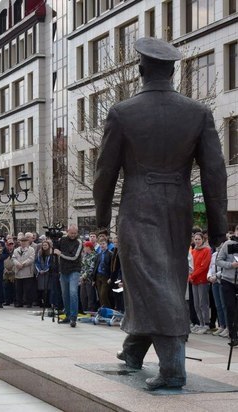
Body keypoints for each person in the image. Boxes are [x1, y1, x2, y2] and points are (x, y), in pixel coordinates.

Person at [93, 37, 228, 390]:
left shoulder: (123, 113)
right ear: (172, 71)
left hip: (138, 205)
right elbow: (215, 172)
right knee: (157, 278)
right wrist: (218, 226)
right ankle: (134, 350)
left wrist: (102, 217)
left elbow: (104, 172)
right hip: (179, 207)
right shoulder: (198, 112)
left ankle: (172, 369)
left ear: (141, 70)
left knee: (153, 282)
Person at [54, 224, 83, 327]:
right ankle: (67, 315)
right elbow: (55, 248)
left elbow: (74, 257)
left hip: (74, 270)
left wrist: (60, 253)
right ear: (67, 231)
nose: (73, 235)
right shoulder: (63, 240)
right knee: (65, 294)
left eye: (75, 233)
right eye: (71, 233)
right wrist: (54, 239)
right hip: (63, 271)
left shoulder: (79, 242)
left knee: (73, 292)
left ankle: (73, 317)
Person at [216, 225, 238, 346]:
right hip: (228, 280)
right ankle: (233, 335)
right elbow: (218, 260)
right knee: (230, 307)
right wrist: (231, 265)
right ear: (235, 232)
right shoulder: (228, 244)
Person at [189, 232, 212, 334]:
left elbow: (204, 266)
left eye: (199, 239)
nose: (197, 241)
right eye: (196, 239)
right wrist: (190, 276)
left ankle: (206, 324)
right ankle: (200, 323)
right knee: (196, 303)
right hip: (194, 280)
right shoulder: (193, 251)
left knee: (203, 303)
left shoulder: (207, 250)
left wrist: (192, 275)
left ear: (203, 239)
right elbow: (190, 265)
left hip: (202, 279)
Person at [12, 235, 36, 308]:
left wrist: (23, 264)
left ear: (27, 242)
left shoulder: (31, 249)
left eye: (25, 242)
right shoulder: (16, 250)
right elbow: (14, 258)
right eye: (22, 242)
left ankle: (29, 302)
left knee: (28, 288)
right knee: (18, 289)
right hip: (18, 272)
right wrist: (17, 264)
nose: (23, 243)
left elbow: (31, 259)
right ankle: (19, 302)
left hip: (27, 272)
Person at [92, 236, 113, 308]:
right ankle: (103, 309)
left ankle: (108, 310)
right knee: (99, 295)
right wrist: (93, 279)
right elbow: (95, 267)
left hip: (106, 276)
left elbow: (112, 267)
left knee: (103, 294)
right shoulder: (98, 255)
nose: (102, 245)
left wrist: (111, 277)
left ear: (106, 244)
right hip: (98, 276)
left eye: (103, 244)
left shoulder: (110, 254)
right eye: (100, 244)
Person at [35, 240, 55, 308]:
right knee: (41, 289)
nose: (44, 246)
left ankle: (48, 303)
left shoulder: (50, 253)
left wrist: (45, 270)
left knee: (48, 288)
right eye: (43, 245)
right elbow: (37, 262)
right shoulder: (39, 253)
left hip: (48, 273)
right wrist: (40, 270)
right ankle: (41, 302)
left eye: (46, 245)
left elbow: (50, 263)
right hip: (41, 273)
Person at [79, 241, 97, 313]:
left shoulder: (94, 255)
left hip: (90, 279)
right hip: (83, 279)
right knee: (83, 296)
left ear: (88, 247)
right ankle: (84, 310)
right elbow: (82, 267)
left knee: (90, 296)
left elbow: (91, 268)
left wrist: (84, 276)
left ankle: (91, 311)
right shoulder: (85, 255)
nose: (84, 248)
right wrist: (81, 276)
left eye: (85, 247)